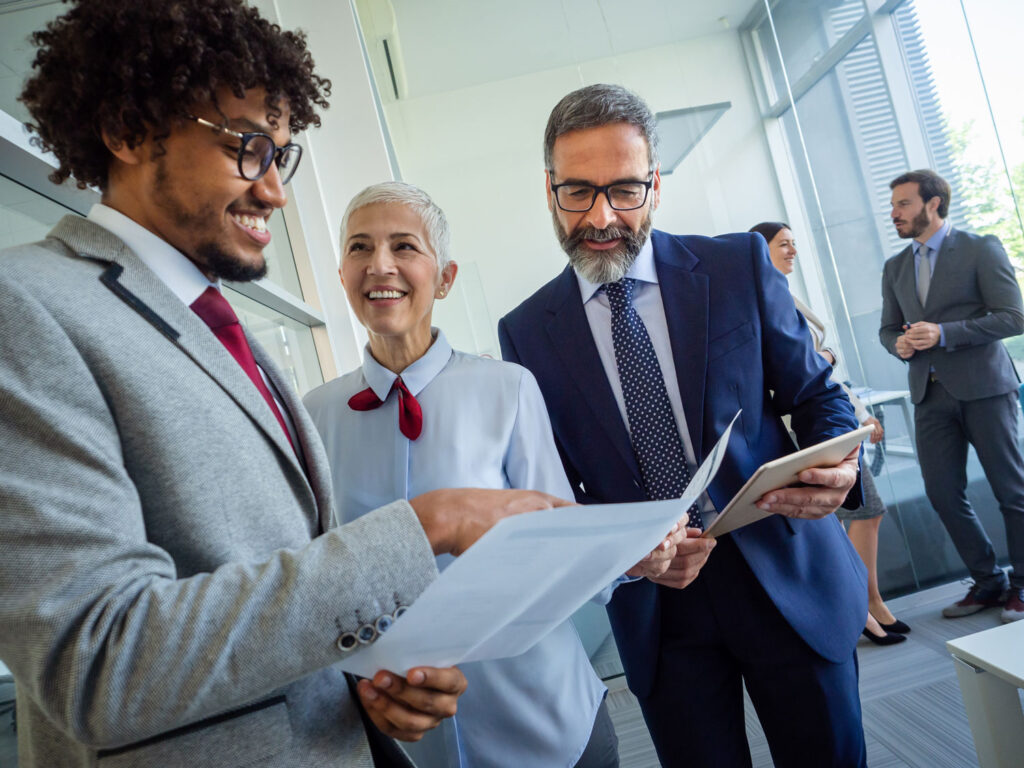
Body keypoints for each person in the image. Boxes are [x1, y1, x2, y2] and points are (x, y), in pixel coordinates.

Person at [0, 3, 569, 766]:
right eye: (248, 147)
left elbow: (274, 594)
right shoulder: (24, 306)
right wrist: (425, 525)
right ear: (128, 131)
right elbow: (100, 661)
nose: (274, 191)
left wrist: (361, 681)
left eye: (281, 156)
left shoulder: (217, 328)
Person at [499, 83, 869, 768]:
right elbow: (553, 491)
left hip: (786, 573)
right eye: (577, 191)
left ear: (656, 186)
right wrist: (621, 557)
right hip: (659, 614)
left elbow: (819, 396)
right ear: (549, 190)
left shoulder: (737, 266)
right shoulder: (525, 332)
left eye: (625, 190)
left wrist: (839, 468)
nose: (601, 216)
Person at [305, 181, 643, 768]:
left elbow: (557, 539)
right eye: (360, 247)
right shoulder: (313, 416)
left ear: (445, 278)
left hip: (541, 712)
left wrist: (634, 556)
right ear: (342, 276)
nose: (379, 264)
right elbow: (315, 578)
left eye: (403, 246)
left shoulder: (508, 388)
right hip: (405, 736)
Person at [750, 221, 909, 645]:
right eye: (784, 244)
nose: (793, 250)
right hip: (802, 431)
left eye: (794, 243)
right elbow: (791, 373)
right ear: (757, 250)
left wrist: (859, 413)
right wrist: (823, 361)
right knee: (852, 515)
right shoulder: (756, 302)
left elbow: (822, 373)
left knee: (864, 513)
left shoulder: (788, 295)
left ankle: (870, 603)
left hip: (833, 420)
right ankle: (860, 607)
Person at [880, 169, 1024, 623]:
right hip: (929, 395)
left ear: (933, 203)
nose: (894, 213)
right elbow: (887, 329)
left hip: (985, 389)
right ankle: (988, 581)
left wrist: (944, 333)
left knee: (1012, 490)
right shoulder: (895, 267)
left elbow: (1014, 316)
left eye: (903, 203)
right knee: (942, 494)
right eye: (893, 205)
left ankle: (1023, 585)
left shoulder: (981, 248)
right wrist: (898, 345)